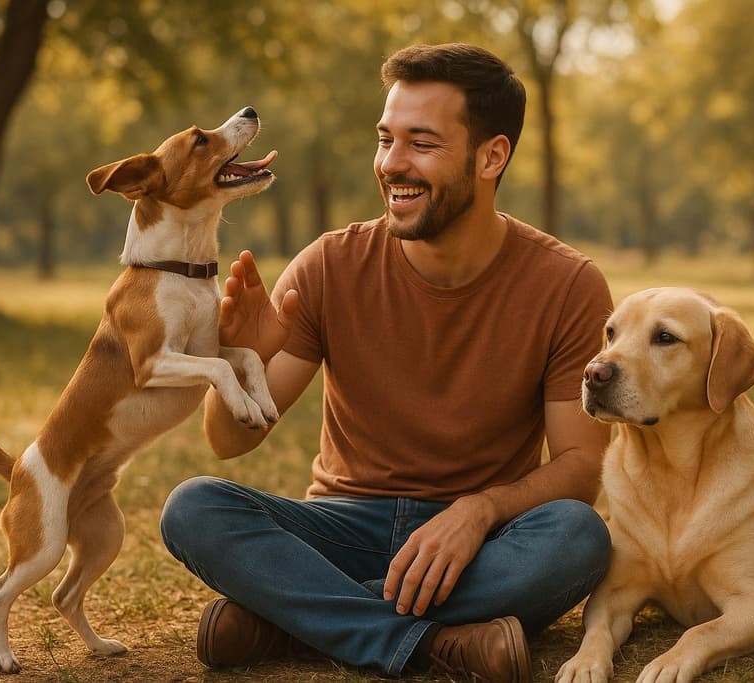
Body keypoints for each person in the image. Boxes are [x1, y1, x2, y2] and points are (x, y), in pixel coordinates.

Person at [160, 43, 613, 683]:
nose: (392, 164)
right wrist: (244, 362)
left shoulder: (568, 286)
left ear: (493, 156)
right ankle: (437, 645)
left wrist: (479, 510)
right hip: (342, 526)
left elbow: (582, 467)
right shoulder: (329, 265)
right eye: (385, 139)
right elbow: (227, 444)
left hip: (479, 544)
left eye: (421, 144)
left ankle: (288, 621)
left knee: (578, 535)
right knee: (193, 508)